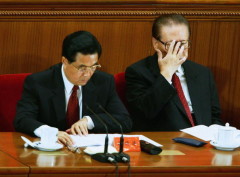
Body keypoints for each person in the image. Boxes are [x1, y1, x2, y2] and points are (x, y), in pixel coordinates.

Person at [14, 31, 132, 145]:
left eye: (93, 66)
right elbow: (22, 119)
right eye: (82, 68)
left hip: (87, 154)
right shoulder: (39, 82)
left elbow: (124, 120)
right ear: (65, 61)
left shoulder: (104, 82)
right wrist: (51, 133)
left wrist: (89, 121)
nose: (88, 74)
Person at [125, 14, 222, 131]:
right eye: (171, 45)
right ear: (155, 43)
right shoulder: (138, 72)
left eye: (183, 43)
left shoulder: (202, 73)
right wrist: (166, 74)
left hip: (204, 142)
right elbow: (145, 113)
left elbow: (215, 116)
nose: (179, 50)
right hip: (167, 142)